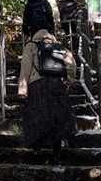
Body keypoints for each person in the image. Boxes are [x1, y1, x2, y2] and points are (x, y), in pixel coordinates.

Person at [18, 28, 77, 161]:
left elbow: (25, 69)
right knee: (58, 117)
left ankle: (37, 149)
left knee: (36, 116)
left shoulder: (31, 46)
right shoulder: (59, 47)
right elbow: (71, 64)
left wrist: (22, 91)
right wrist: (69, 80)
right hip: (57, 84)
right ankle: (57, 150)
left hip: (36, 85)